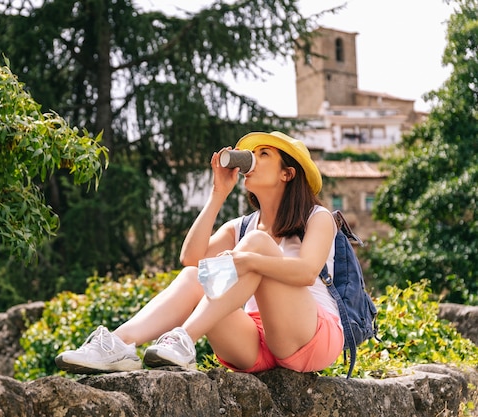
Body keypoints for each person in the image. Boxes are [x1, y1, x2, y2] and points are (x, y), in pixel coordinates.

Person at [55, 131, 344, 374]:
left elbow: (306, 273)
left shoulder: (317, 217)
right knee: (196, 275)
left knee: (257, 244)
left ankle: (184, 338)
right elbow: (191, 260)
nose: (251, 160)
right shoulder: (241, 227)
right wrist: (218, 192)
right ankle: (118, 345)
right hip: (255, 342)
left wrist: (246, 260)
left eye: (264, 154)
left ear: (287, 173)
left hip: (311, 335)